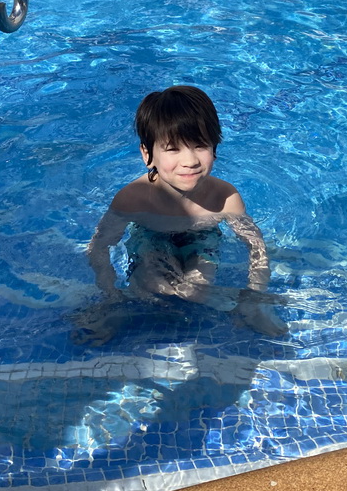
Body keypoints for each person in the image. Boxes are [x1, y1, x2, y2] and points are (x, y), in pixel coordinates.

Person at [85, 85, 285, 339]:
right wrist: (110, 296)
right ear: (148, 155)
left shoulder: (225, 198)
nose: (190, 161)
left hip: (203, 238)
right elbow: (99, 246)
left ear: (215, 147)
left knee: (195, 292)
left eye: (200, 146)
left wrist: (254, 298)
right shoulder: (132, 199)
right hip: (150, 236)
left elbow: (256, 247)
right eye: (173, 149)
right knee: (151, 289)